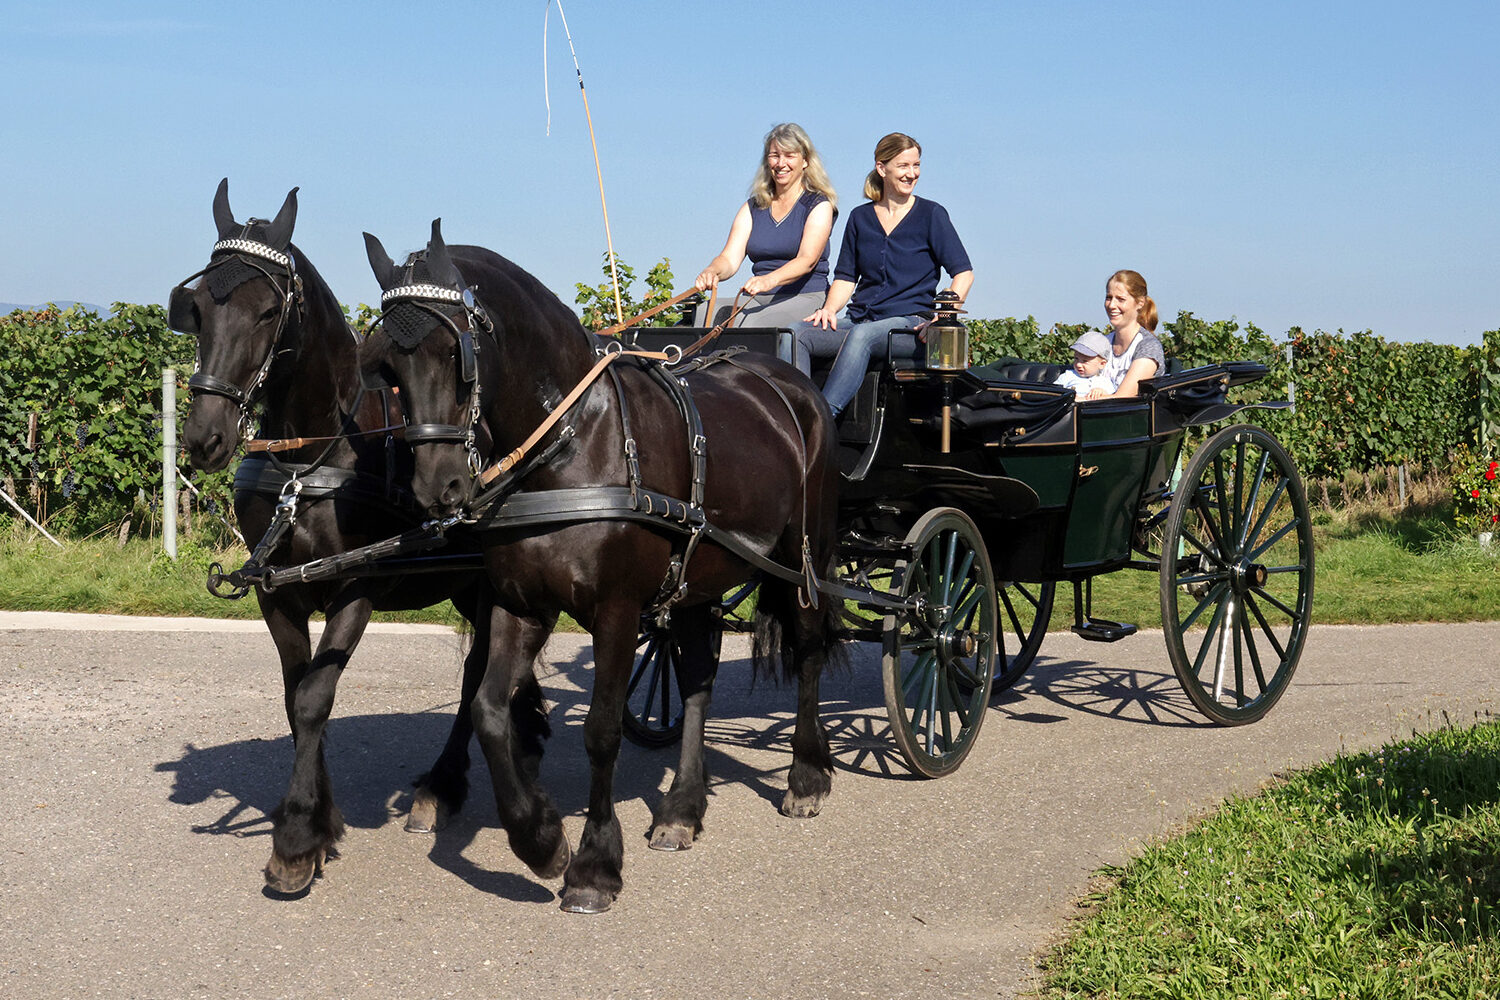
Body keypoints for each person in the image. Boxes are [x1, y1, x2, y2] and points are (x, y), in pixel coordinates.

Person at [793, 132, 973, 417]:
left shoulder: (932, 214)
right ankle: (795, 412)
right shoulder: (859, 218)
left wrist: (943, 318)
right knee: (796, 334)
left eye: (916, 166)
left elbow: (963, 273)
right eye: (903, 166)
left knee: (863, 335)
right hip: (861, 320)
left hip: (911, 327)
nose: (911, 174)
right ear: (882, 168)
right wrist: (828, 309)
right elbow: (846, 277)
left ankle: (821, 418)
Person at [693, 123, 837, 329]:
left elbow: (807, 260)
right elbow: (729, 259)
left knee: (749, 323)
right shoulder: (753, 207)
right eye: (774, 155)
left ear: (805, 161)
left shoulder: (818, 205)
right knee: (704, 311)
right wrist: (712, 271)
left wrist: (770, 280)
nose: (781, 163)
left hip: (805, 297)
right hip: (760, 297)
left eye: (789, 155)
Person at [1085, 269, 1167, 400]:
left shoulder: (1148, 347)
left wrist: (1074, 400)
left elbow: (1122, 398)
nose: (1112, 305)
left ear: (1140, 303)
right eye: (1109, 298)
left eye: (1120, 299)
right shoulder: (1102, 344)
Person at [1054, 330, 1114, 398]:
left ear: (1102, 364)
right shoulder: (1067, 376)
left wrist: (1103, 392)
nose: (1078, 364)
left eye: (1085, 361)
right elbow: (1053, 392)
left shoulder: (1105, 382)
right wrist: (1066, 395)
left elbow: (1112, 398)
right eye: (1076, 358)